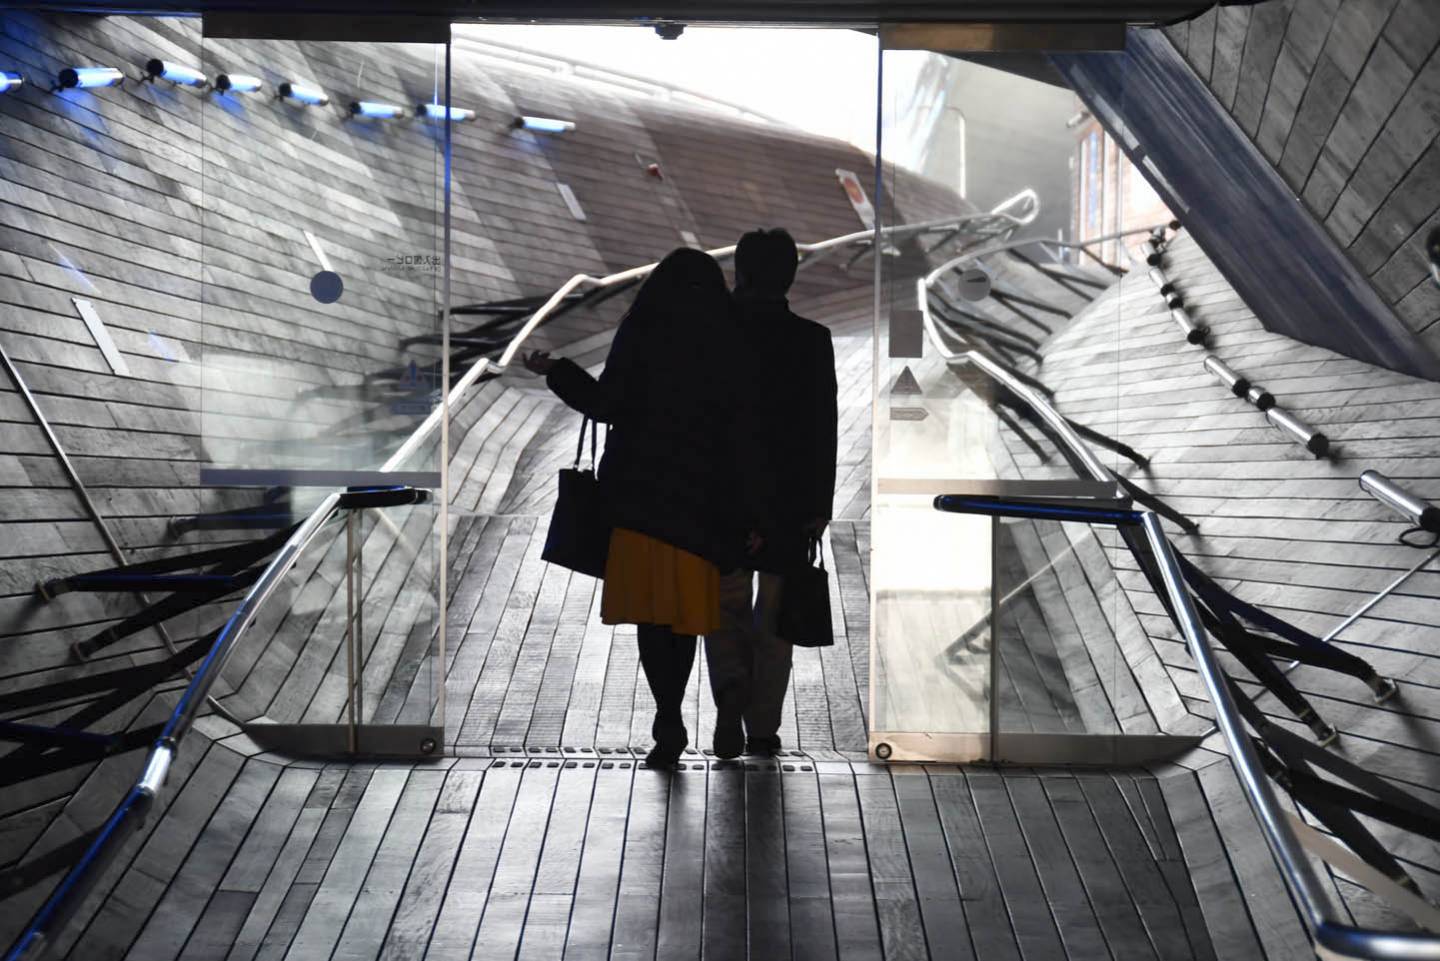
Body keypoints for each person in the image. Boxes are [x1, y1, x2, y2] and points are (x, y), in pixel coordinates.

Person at [523, 248, 752, 769]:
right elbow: (743, 430)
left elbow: (606, 405)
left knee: (653, 616)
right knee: (686, 617)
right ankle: (681, 713)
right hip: (701, 502)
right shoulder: (728, 339)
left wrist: (558, 371)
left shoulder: (643, 330)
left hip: (641, 501)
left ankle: (667, 716)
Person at [704, 228, 838, 759]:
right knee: (776, 612)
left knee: (724, 603)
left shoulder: (713, 334)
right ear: (791, 275)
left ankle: (729, 696)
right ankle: (762, 726)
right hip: (787, 500)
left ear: (740, 271)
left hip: (723, 495)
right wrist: (819, 505)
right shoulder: (811, 339)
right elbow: (821, 427)